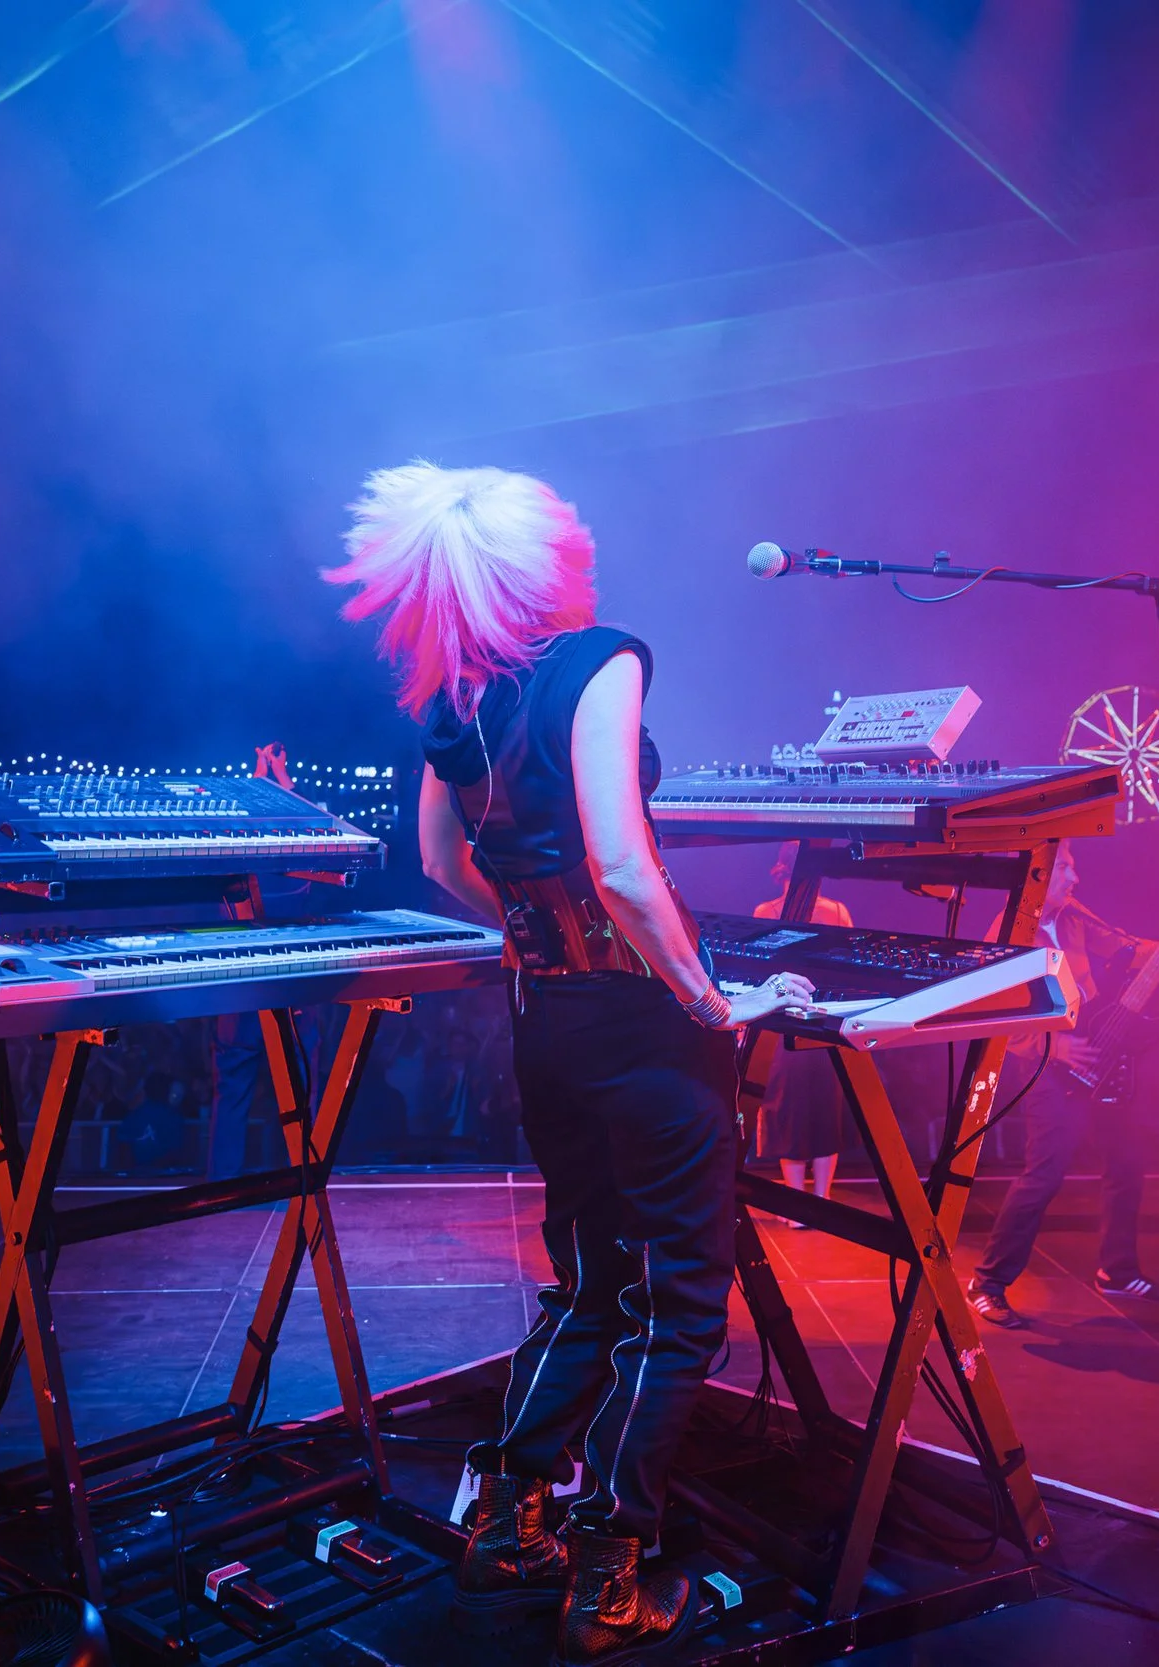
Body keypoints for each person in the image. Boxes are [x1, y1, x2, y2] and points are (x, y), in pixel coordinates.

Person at [325, 462, 811, 1664]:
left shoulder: (454, 693)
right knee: (680, 1302)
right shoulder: (601, 657)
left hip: (545, 1016)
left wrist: (540, 931)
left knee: (589, 1280)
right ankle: (612, 1573)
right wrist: (712, 1001)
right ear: (548, 555)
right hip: (640, 1024)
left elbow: (440, 862)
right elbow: (627, 864)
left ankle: (507, 1519)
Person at [964, 843, 1159, 1329]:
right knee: (1044, 1176)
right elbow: (992, 1012)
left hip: (1097, 1054)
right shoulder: (1009, 931)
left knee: (1127, 1162)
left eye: (1073, 868)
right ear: (1036, 874)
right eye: (1064, 869)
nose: (1074, 878)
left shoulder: (1073, 915)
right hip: (1043, 1064)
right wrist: (1053, 1049)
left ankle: (1117, 1270)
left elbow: (1124, 946)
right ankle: (988, 1282)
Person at [751, 852, 850, 1215]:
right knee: (790, 1111)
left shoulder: (837, 911)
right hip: (785, 1023)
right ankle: (800, 1204)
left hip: (822, 1020)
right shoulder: (767, 911)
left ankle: (819, 1202)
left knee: (824, 1111)